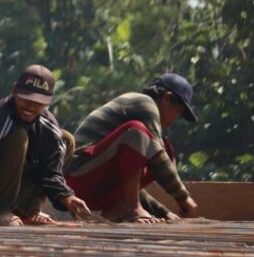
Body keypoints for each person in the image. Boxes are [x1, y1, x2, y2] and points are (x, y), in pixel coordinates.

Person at [0, 65, 91, 225]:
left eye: (38, 102)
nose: (30, 106)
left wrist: (67, 197)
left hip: (17, 193)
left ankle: (28, 211)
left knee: (65, 139)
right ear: (15, 91)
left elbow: (51, 173)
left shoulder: (48, 127)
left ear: (48, 101)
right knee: (18, 136)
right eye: (26, 99)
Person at [64, 73, 200, 223]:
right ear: (166, 98)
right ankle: (132, 209)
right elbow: (159, 158)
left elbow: (130, 181)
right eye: (178, 112)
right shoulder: (144, 103)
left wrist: (162, 212)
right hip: (78, 180)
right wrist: (183, 197)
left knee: (160, 148)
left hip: (98, 188)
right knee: (139, 133)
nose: (175, 119)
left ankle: (118, 209)